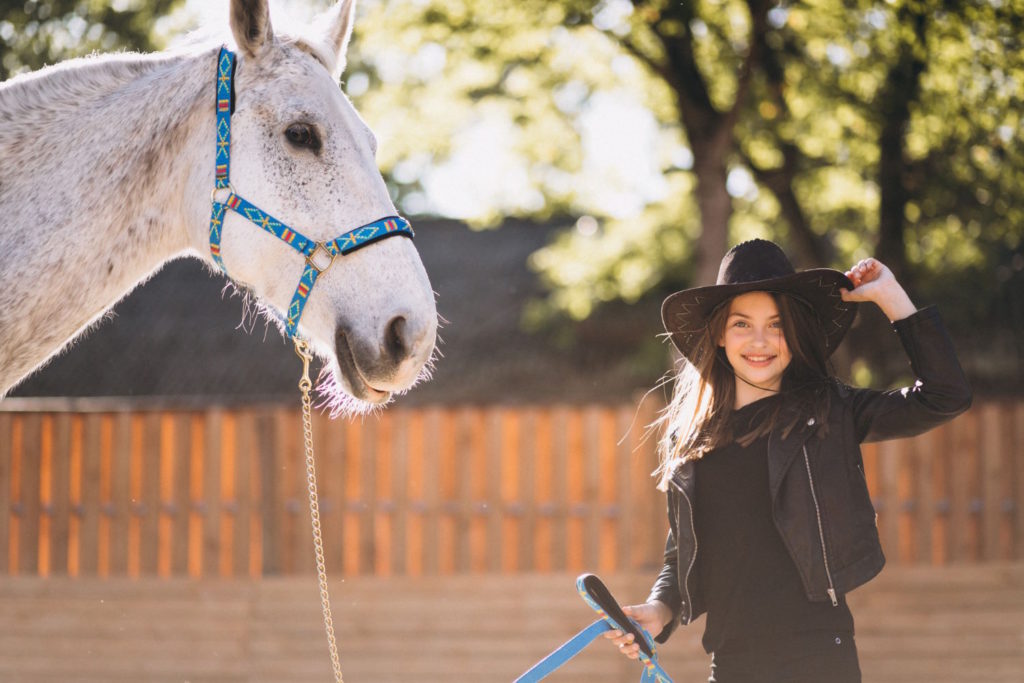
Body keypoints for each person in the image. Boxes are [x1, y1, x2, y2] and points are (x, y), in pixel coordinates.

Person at [603, 239, 972, 682]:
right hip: (730, 663)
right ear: (720, 333)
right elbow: (682, 550)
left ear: (795, 334)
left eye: (776, 324)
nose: (760, 341)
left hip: (818, 658)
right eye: (742, 324)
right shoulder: (694, 437)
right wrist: (658, 611)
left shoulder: (830, 411)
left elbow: (944, 397)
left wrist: (891, 299)